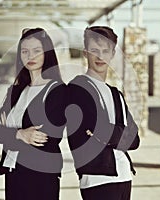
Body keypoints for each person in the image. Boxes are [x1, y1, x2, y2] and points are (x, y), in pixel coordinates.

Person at [0, 28, 66, 200]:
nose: (30, 56)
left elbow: (45, 138)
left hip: (41, 174)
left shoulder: (58, 91)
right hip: (13, 170)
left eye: (37, 51)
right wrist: (20, 134)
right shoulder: (15, 91)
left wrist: (7, 130)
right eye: (25, 51)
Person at [66, 26, 140, 200]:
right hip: (97, 179)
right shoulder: (77, 89)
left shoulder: (116, 94)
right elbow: (93, 129)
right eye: (94, 50)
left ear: (113, 53)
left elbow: (135, 139)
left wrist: (107, 133)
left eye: (105, 51)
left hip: (124, 176)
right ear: (85, 53)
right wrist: (120, 133)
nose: (100, 56)